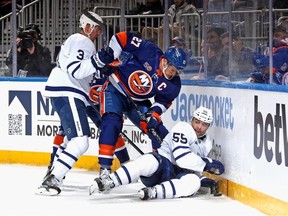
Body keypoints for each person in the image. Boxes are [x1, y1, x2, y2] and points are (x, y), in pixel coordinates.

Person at [35, 10, 117, 196]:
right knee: (80, 141)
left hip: (67, 92)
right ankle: (53, 179)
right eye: (96, 28)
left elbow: (83, 71)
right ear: (87, 27)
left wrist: (101, 67)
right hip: (69, 91)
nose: (98, 33)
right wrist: (97, 61)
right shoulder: (83, 41)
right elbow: (76, 70)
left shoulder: (77, 41)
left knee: (70, 139)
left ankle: (54, 171)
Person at [92, 31, 187, 181]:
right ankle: (104, 169)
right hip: (115, 89)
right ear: (164, 61)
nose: (173, 74)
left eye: (177, 71)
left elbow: (164, 101)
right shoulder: (150, 51)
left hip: (138, 100)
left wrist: (154, 115)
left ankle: (164, 167)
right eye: (172, 69)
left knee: (156, 129)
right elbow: (121, 38)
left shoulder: (174, 83)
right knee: (111, 123)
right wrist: (110, 59)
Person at [89, 106, 225, 200]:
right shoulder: (183, 128)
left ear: (209, 126)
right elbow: (182, 159)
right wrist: (208, 164)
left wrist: (201, 178)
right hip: (162, 167)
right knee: (147, 161)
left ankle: (153, 192)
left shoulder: (207, 144)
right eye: (197, 122)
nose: (199, 127)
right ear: (192, 120)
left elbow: (194, 169)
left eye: (204, 124)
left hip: (177, 177)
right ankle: (108, 181)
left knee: (194, 182)